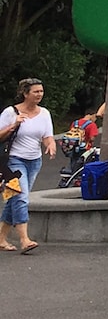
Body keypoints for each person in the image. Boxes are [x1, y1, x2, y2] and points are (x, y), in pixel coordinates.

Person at [2, 77, 57, 252]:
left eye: (41, 91)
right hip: (13, 161)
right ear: (25, 94)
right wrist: (13, 125)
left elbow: (47, 136)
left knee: (14, 199)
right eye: (36, 91)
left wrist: (51, 144)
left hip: (34, 161)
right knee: (21, 197)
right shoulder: (11, 112)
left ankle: (1, 239)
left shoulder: (44, 113)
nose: (40, 94)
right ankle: (24, 240)